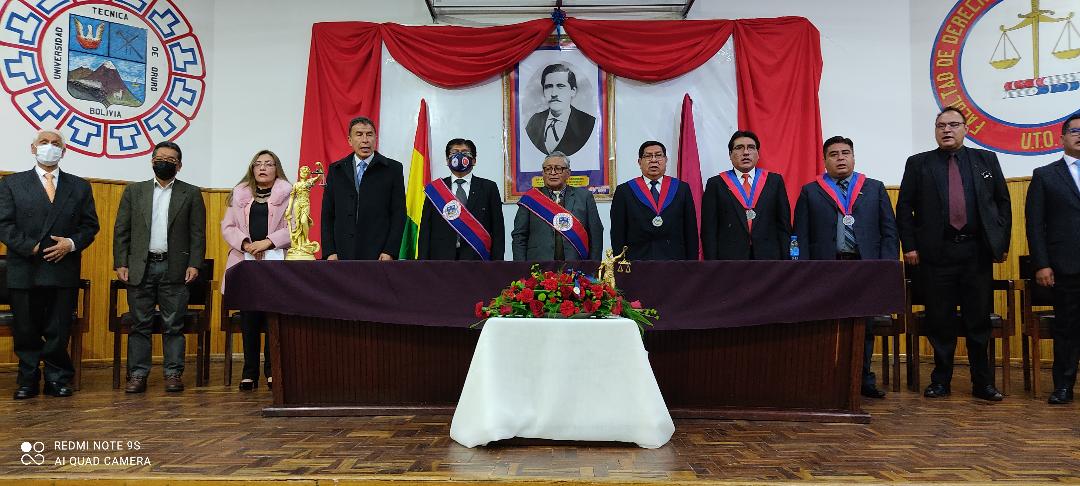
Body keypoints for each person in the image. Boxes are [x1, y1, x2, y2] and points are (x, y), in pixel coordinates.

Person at [896, 106, 1011, 401]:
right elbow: (904, 208)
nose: (946, 130)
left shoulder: (986, 159)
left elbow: (1002, 203)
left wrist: (1000, 244)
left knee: (978, 321)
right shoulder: (918, 163)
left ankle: (982, 383)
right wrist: (909, 246)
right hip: (936, 254)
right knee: (940, 320)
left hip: (976, 252)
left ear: (965, 128)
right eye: (940, 126)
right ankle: (941, 380)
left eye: (953, 124)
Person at [793, 135, 899, 398]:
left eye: (845, 153)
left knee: (865, 325)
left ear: (853, 157)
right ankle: (826, 379)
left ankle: (863, 379)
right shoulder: (811, 191)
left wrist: (884, 267)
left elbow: (889, 231)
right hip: (827, 268)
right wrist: (803, 270)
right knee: (825, 325)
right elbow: (801, 234)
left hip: (864, 268)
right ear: (825, 160)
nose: (840, 158)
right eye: (834, 154)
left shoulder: (874, 188)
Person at [0, 130, 99, 400]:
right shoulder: (12, 184)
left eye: (56, 144)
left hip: (63, 267)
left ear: (64, 152)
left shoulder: (79, 186)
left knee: (58, 329)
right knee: (26, 330)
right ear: (33, 148)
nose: (50, 147)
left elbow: (90, 226)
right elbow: (3, 224)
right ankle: (27, 380)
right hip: (25, 268)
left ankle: (58, 378)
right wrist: (29, 246)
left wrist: (71, 243)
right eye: (44, 143)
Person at [114, 141, 207, 394]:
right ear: (152, 160)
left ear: (179, 165)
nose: (164, 162)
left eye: (171, 159)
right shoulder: (135, 192)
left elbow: (198, 233)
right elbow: (121, 229)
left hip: (175, 267)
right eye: (160, 157)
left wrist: (194, 264)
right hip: (140, 268)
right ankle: (138, 375)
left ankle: (173, 373)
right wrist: (121, 262)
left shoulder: (191, 193)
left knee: (173, 324)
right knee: (139, 324)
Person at [220, 150, 292, 391]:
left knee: (273, 317)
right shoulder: (238, 194)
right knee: (249, 317)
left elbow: (296, 227)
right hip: (245, 261)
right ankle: (249, 372)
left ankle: (273, 371)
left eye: (268, 164)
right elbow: (228, 226)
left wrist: (269, 241)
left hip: (276, 262)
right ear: (252, 169)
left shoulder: (289, 194)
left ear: (276, 169)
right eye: (258, 164)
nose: (263, 168)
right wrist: (245, 243)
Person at [1025, 112, 1080, 405]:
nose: (1079, 135)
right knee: (1067, 330)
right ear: (1062, 138)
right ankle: (1063, 387)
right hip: (1065, 266)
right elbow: (1035, 225)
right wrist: (1042, 264)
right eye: (1074, 131)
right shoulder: (1045, 175)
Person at [321, 116, 406, 261]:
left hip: (379, 254)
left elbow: (398, 214)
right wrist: (329, 251)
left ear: (375, 138)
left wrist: (390, 251)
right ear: (349, 140)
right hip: (341, 253)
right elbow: (327, 214)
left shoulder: (393, 169)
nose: (365, 140)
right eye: (359, 134)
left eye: (369, 134)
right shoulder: (336, 170)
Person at [701, 131, 791, 260]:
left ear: (758, 155)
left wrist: (786, 261)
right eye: (739, 148)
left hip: (769, 258)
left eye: (751, 147)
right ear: (730, 155)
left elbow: (784, 225)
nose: (746, 152)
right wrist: (712, 264)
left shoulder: (774, 181)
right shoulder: (716, 184)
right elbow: (709, 230)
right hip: (729, 260)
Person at [418, 138, 505, 260]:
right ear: (448, 160)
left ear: (474, 160)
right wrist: (423, 262)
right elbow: (425, 230)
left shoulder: (488, 188)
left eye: (465, 153)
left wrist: (497, 263)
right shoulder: (435, 189)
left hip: (477, 259)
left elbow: (498, 230)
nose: (459, 156)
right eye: (454, 153)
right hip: (441, 260)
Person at [610, 141, 698, 260]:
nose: (653, 160)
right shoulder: (624, 191)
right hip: (637, 262)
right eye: (648, 156)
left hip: (675, 261)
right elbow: (618, 233)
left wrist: (691, 264)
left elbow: (690, 230)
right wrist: (620, 263)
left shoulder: (681, 189)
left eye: (658, 155)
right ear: (639, 162)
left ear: (666, 160)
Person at [512, 152, 603, 260]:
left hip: (576, 267)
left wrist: (593, 267)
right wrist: (521, 268)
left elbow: (595, 234)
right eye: (548, 169)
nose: (553, 173)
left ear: (568, 173)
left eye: (558, 168)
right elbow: (519, 237)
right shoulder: (531, 199)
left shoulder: (584, 197)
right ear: (543, 173)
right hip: (538, 267)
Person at [524, 63, 597, 157]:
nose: (554, 93)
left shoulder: (588, 122)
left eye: (560, 86)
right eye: (549, 86)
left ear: (573, 91)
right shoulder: (535, 121)